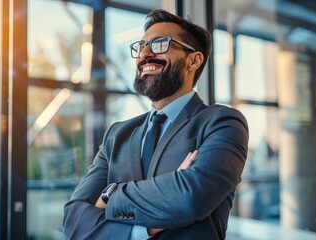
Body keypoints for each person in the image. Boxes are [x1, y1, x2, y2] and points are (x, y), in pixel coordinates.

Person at [63, 9, 248, 240]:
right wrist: (143, 229)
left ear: (194, 60)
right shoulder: (117, 135)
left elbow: (191, 196)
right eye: (141, 46)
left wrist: (110, 195)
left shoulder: (222, 122)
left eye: (160, 43)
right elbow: (74, 221)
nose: (145, 54)